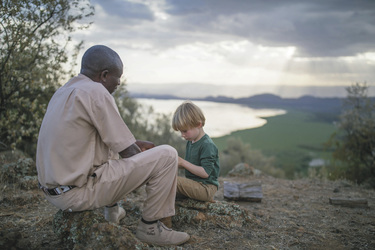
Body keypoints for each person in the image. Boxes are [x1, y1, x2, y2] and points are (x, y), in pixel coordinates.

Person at [36, 45, 190, 246]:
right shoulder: (96, 91)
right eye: (118, 77)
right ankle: (151, 227)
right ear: (104, 75)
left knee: (107, 148)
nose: (119, 83)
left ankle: (112, 212)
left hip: (55, 192)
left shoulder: (64, 91)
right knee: (168, 155)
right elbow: (129, 153)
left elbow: (103, 140)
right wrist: (145, 161)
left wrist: (134, 147)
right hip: (77, 195)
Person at [172, 101, 220, 202]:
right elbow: (191, 166)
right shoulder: (191, 141)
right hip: (193, 183)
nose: (182, 135)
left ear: (198, 124)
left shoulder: (207, 145)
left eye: (185, 131)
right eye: (180, 131)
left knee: (172, 182)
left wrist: (183, 163)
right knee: (164, 181)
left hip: (206, 188)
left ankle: (165, 218)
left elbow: (205, 173)